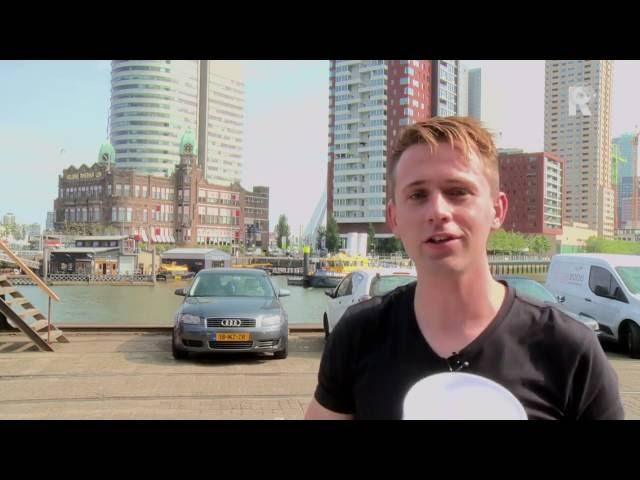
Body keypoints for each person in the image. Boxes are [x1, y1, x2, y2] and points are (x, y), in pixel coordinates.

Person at [305, 116, 624, 420]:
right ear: (394, 218)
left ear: (497, 210)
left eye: (458, 192)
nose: (438, 211)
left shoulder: (570, 350)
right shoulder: (359, 335)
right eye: (418, 195)